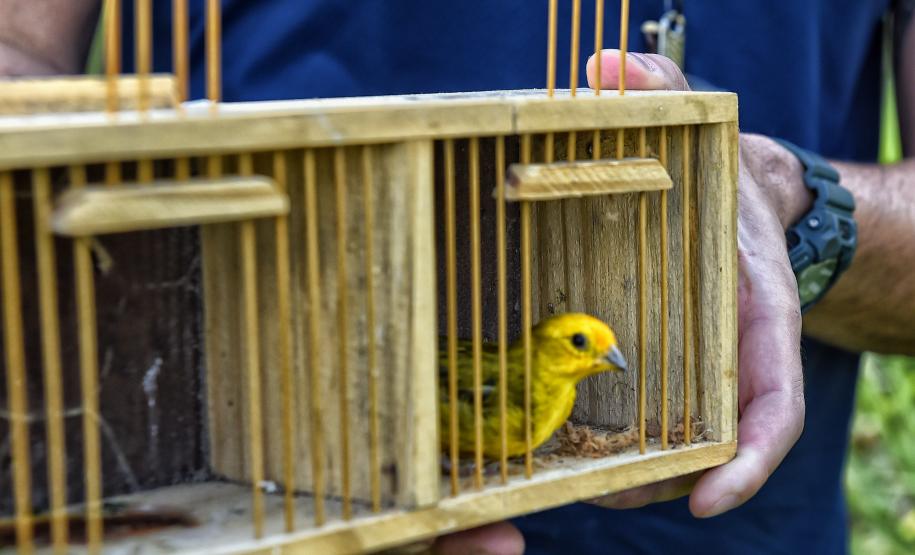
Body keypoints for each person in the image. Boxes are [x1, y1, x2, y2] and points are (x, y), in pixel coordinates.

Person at [2, 1, 913, 553]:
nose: (607, 353)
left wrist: (803, 210)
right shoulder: (518, 392)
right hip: (228, 470)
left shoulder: (548, 397)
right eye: (585, 341)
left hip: (734, 529)